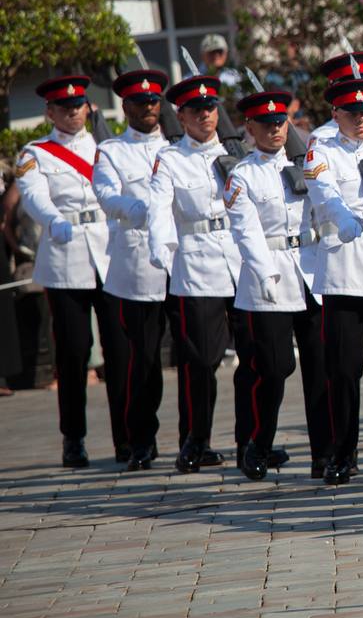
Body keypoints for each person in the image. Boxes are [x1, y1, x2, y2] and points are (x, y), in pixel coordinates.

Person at [15, 75, 124, 468]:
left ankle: (126, 437)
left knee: (120, 350)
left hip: (110, 255)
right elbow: (33, 196)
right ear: (50, 112)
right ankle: (73, 437)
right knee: (73, 353)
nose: (73, 113)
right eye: (64, 108)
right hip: (66, 256)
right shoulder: (36, 152)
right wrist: (53, 219)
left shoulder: (107, 146)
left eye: (78, 106)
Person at [224, 89, 329, 481]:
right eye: (266, 125)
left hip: (309, 271)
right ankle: (258, 442)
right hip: (266, 277)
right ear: (249, 128)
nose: (275, 130)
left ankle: (324, 452)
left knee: (320, 366)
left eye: (280, 122)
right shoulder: (241, 176)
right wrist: (265, 272)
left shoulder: (307, 165)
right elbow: (246, 232)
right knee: (275, 366)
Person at [305, 76, 363, 485]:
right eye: (354, 114)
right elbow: (323, 192)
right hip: (345, 267)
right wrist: (341, 216)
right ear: (336, 114)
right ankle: (340, 454)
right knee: (344, 368)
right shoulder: (320, 150)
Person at [146, 74, 242, 474]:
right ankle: (195, 439)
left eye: (210, 108)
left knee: (257, 357)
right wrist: (163, 253)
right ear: (180, 116)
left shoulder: (238, 152)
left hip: (240, 259)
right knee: (201, 360)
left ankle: (254, 439)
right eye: (197, 110)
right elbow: (158, 209)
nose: (206, 115)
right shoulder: (170, 159)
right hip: (196, 263)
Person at [92, 70, 171, 471]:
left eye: (154, 101)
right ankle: (141, 439)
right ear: (125, 107)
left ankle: (198, 437)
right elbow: (106, 194)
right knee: (143, 360)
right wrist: (140, 209)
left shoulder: (177, 146)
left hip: (183, 263)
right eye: (140, 103)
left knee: (198, 356)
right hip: (139, 266)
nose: (149, 108)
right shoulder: (111, 151)